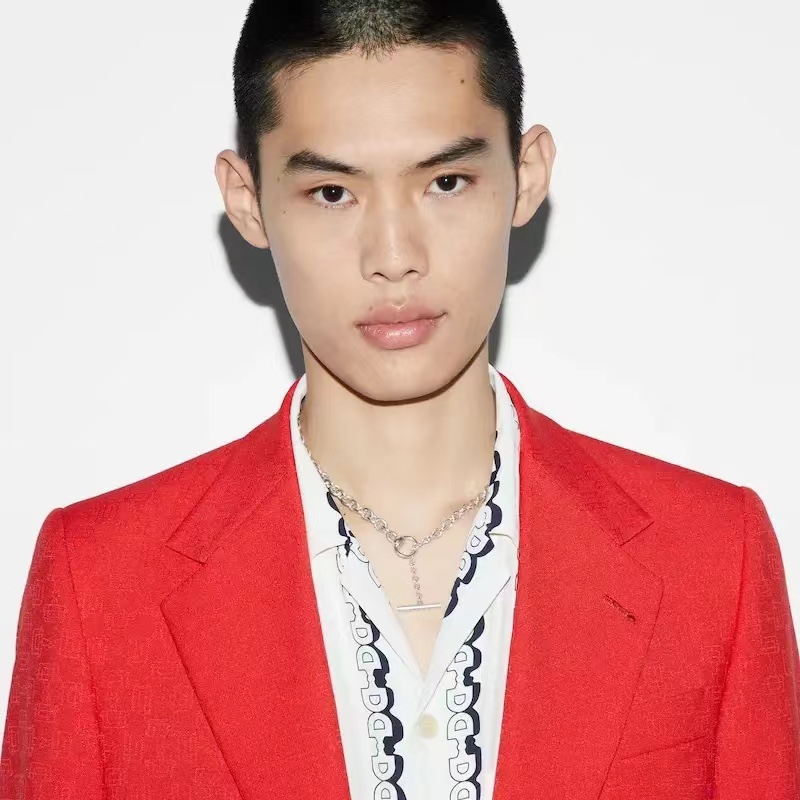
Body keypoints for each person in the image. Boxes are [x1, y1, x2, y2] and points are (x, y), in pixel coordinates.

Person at [2, 0, 798, 797]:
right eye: (332, 193)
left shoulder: (712, 561)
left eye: (446, 182)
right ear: (247, 200)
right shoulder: (99, 584)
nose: (393, 256)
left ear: (527, 177)